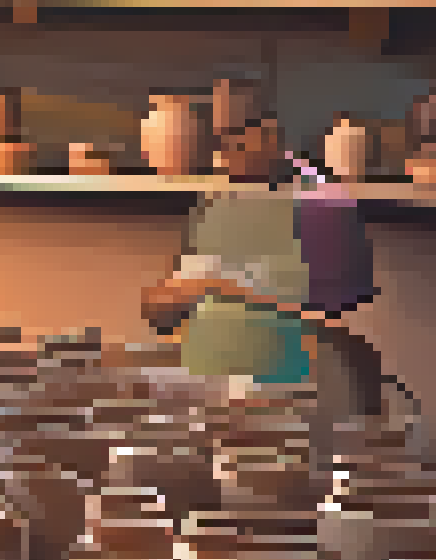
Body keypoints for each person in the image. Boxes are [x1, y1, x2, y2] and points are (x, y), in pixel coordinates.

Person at [140, 159, 389, 418]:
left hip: (279, 401)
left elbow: (339, 335)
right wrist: (183, 292)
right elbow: (160, 314)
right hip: (209, 398)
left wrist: (229, 290)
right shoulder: (212, 237)